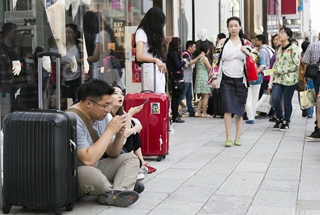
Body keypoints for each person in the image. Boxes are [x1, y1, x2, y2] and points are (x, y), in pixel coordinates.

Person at [67, 79, 140, 207]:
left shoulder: (102, 116)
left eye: (110, 105)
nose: (108, 110)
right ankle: (121, 186)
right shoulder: (72, 120)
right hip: (75, 173)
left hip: (97, 166)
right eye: (105, 105)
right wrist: (109, 131)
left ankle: (118, 192)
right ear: (88, 103)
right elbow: (87, 160)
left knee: (131, 158)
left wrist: (118, 136)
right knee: (92, 174)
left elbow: (113, 153)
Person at [210, 16, 257, 147]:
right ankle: (228, 137)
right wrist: (214, 77)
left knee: (239, 108)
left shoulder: (246, 43)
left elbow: (256, 57)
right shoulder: (222, 42)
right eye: (231, 26)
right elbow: (215, 60)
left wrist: (247, 52)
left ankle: (238, 137)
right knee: (228, 108)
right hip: (226, 78)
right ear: (228, 28)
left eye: (236, 25)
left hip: (241, 79)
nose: (233, 28)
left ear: (240, 27)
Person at [110, 85, 157, 175]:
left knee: (132, 129)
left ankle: (141, 162)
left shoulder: (121, 112)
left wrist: (132, 129)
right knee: (131, 130)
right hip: (115, 147)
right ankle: (136, 163)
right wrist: (130, 114)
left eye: (121, 94)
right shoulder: (107, 114)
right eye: (116, 94)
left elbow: (139, 125)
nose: (120, 96)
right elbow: (124, 135)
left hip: (122, 144)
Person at [271, 27, 300, 131]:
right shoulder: (278, 48)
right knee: (275, 99)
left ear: (288, 36)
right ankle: (279, 118)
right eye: (280, 32)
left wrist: (281, 69)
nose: (280, 34)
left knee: (287, 101)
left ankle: (286, 121)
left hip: (290, 79)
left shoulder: (294, 48)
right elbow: (276, 63)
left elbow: (296, 65)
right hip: (278, 79)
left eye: (283, 32)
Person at [134, 7, 167, 93]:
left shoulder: (151, 34)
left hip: (158, 70)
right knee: (161, 96)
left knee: (162, 98)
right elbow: (139, 56)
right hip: (149, 69)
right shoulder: (141, 32)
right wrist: (156, 60)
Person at [0, 22, 26, 113]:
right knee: (5, 111)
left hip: (18, 83)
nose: (16, 34)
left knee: (19, 110)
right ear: (7, 33)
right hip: (4, 84)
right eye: (14, 32)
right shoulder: (1, 48)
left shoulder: (18, 48)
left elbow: (23, 66)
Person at [178, 41, 204, 117]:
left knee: (189, 96)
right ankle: (174, 111)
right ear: (189, 47)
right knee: (181, 96)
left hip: (188, 78)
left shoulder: (189, 55)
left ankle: (191, 111)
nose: (195, 49)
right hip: (184, 78)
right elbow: (187, 64)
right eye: (194, 47)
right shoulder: (185, 55)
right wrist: (198, 57)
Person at [303, 33, 320, 140]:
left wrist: (306, 76)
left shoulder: (313, 45)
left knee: (318, 101)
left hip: (317, 75)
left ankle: (318, 129)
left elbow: (305, 61)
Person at [167, 37, 187, 123]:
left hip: (173, 76)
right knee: (176, 97)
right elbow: (178, 65)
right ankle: (175, 115)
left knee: (175, 96)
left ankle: (175, 114)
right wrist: (184, 62)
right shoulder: (174, 54)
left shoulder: (170, 53)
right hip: (176, 77)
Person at [61, 23, 82, 101]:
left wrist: (73, 63)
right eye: (65, 32)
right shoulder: (62, 47)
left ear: (75, 33)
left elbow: (86, 59)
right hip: (65, 80)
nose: (67, 35)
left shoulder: (79, 46)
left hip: (77, 78)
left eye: (69, 32)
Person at [194, 43, 212, 118]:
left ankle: (198, 111)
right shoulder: (204, 58)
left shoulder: (198, 57)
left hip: (198, 77)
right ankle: (204, 112)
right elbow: (210, 68)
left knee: (202, 96)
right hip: (204, 77)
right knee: (206, 95)